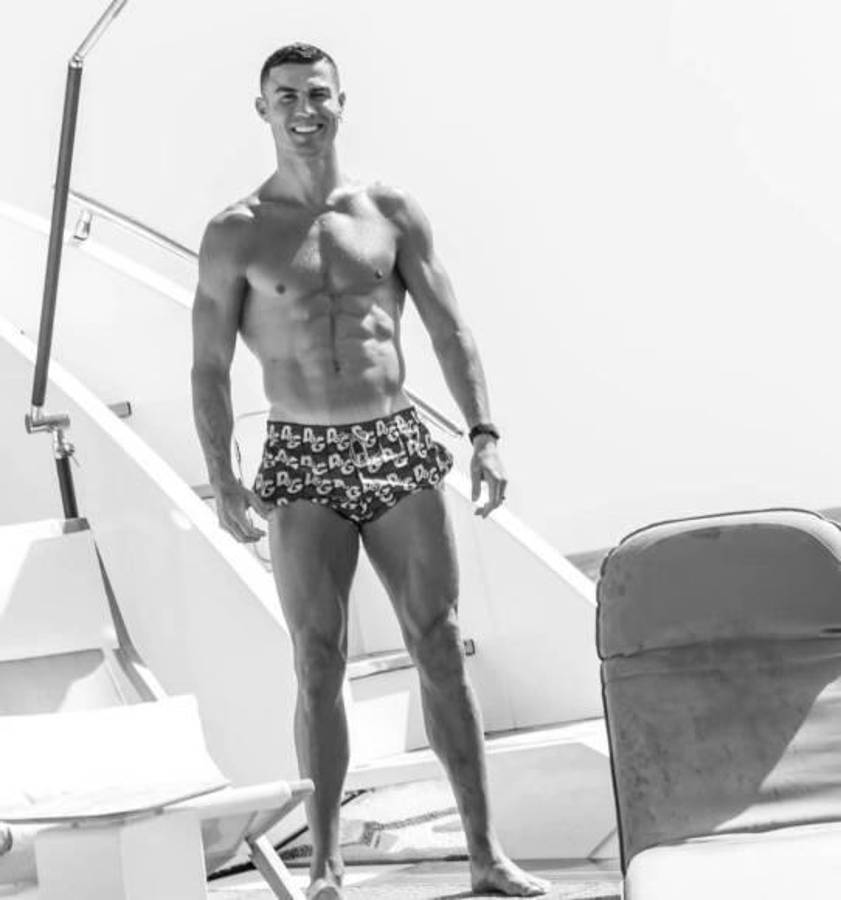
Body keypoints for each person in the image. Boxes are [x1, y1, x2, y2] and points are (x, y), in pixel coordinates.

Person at [191, 42, 550, 899]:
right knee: (317, 661)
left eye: (317, 94)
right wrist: (223, 476)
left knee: (439, 646)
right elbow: (208, 366)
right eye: (286, 96)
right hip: (301, 454)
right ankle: (325, 867)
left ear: (341, 102)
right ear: (262, 110)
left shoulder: (387, 212)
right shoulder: (236, 231)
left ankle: (485, 856)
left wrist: (484, 433)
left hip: (393, 440)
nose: (303, 110)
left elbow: (448, 330)